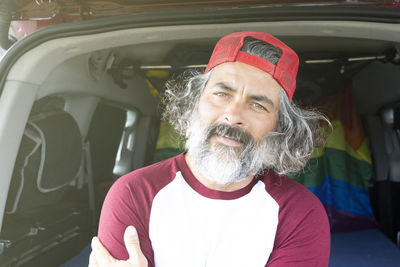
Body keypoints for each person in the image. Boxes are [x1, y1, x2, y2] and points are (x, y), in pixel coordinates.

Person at [89, 32, 331, 267]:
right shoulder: (134, 194)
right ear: (194, 103)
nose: (233, 116)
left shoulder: (300, 213)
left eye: (258, 105)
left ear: (279, 127)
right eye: (221, 94)